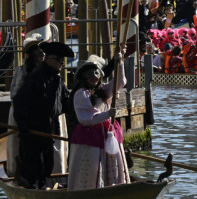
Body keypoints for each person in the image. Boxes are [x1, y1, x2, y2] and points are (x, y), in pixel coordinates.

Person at [12, 41, 73, 189]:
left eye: (62, 61)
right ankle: (31, 187)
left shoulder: (58, 80)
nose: (61, 64)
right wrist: (24, 127)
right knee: (34, 168)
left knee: (47, 165)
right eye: (59, 60)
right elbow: (20, 104)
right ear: (49, 59)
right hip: (33, 132)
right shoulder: (35, 77)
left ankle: (41, 186)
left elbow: (67, 104)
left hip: (48, 132)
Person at [67, 55, 129, 189]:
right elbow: (86, 119)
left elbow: (120, 82)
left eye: (96, 74)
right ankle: (91, 189)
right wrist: (107, 114)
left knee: (109, 164)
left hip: (106, 134)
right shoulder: (81, 94)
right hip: (90, 137)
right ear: (84, 77)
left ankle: (110, 186)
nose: (94, 77)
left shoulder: (103, 90)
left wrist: (120, 62)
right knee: (93, 166)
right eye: (90, 75)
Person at [6, 34, 44, 178]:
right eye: (38, 55)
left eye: (42, 55)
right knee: (20, 143)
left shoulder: (46, 72)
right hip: (22, 112)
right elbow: (15, 95)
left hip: (40, 115)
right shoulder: (21, 71)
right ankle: (19, 171)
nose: (41, 58)